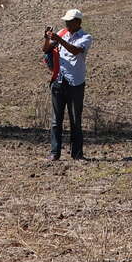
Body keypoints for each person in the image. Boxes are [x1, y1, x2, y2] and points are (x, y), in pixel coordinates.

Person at [42, 9, 91, 160]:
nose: (67, 24)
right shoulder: (62, 32)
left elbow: (75, 50)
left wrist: (59, 39)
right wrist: (47, 39)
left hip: (75, 83)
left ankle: (77, 154)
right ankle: (54, 152)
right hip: (59, 81)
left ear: (78, 22)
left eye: (70, 22)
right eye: (66, 21)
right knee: (56, 120)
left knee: (75, 120)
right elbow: (46, 49)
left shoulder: (86, 37)